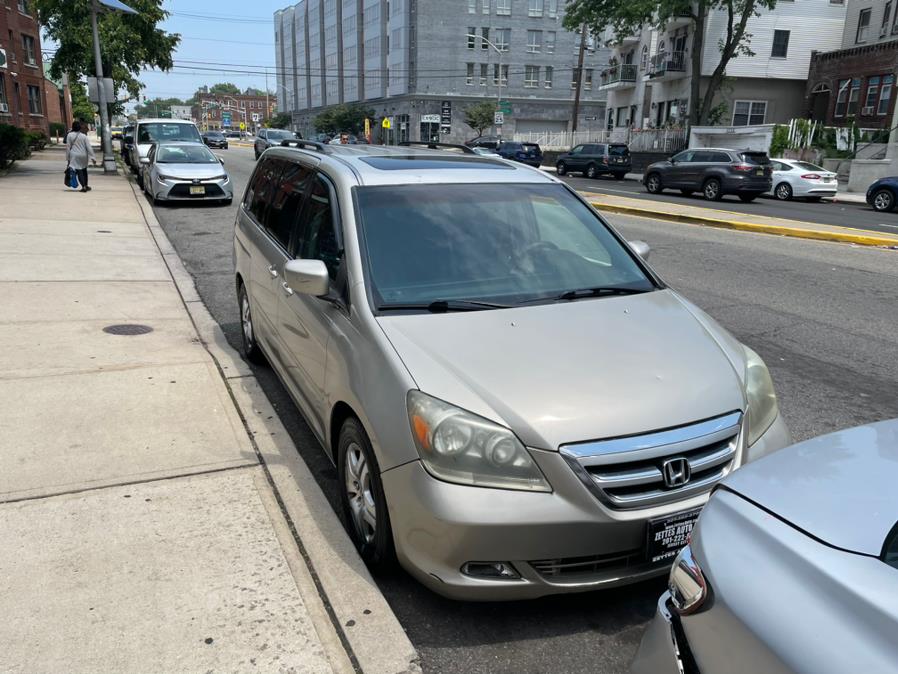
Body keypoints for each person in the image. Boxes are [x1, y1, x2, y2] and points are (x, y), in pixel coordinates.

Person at [65, 121, 96, 192]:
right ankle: (86, 185)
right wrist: (93, 157)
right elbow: (89, 147)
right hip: (84, 155)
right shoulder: (84, 136)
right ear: (80, 127)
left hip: (74, 155)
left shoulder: (69, 135)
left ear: (73, 127)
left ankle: (83, 186)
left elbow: (68, 147)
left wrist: (67, 158)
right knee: (84, 170)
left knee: (79, 171)